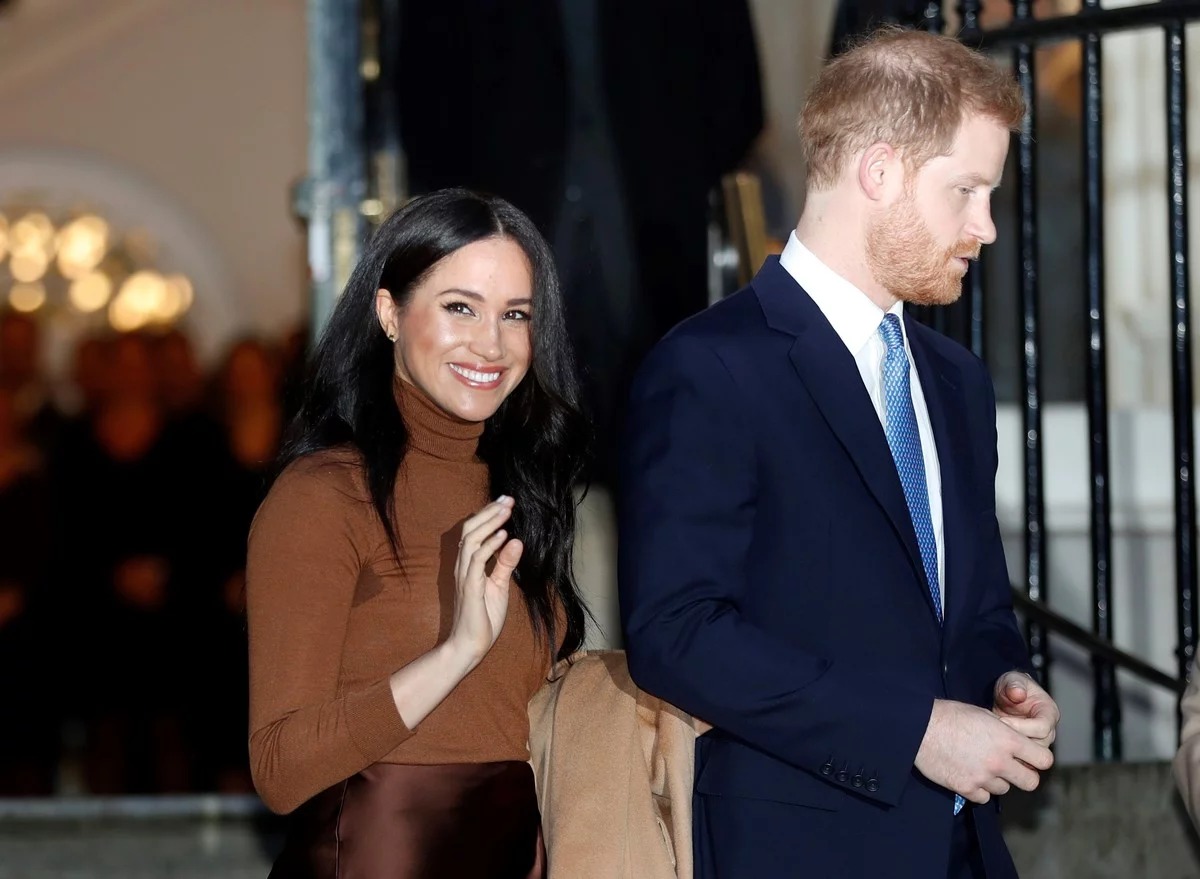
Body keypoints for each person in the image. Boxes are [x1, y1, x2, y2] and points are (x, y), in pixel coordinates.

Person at [618, 27, 1061, 879]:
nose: (988, 227)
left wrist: (1005, 682)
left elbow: (970, 613)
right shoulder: (710, 365)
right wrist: (917, 731)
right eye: (966, 190)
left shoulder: (955, 380)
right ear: (881, 171)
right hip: (795, 850)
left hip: (965, 853)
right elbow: (676, 633)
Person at [245, 188, 590, 878]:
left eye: (515, 314)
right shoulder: (324, 496)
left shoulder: (521, 493)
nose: (490, 342)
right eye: (460, 306)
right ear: (389, 313)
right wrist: (458, 648)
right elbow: (280, 769)